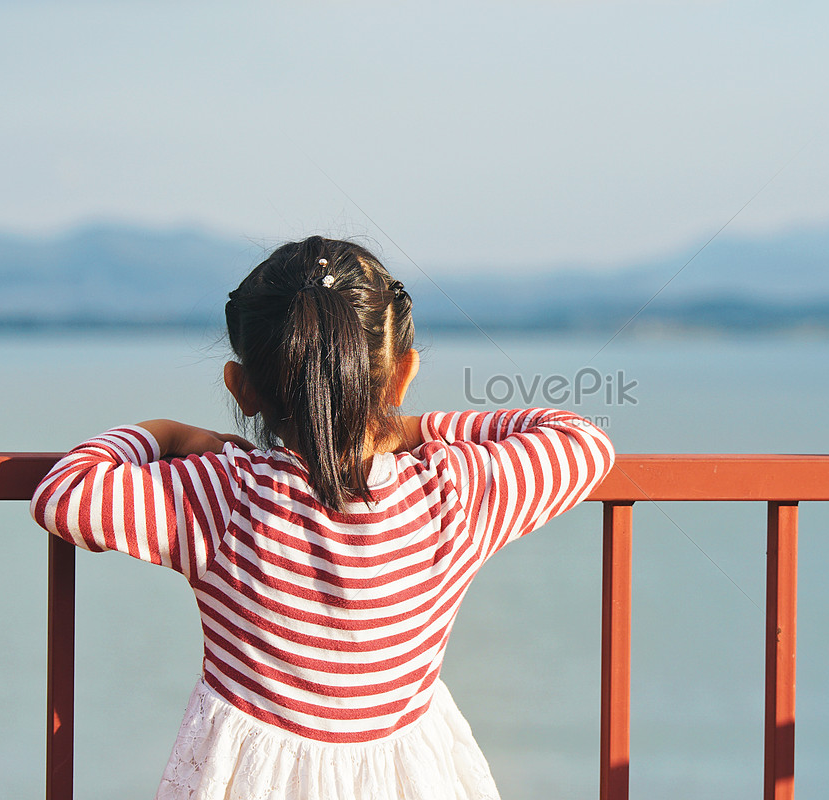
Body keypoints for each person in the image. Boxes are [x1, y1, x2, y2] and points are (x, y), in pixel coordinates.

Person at [30, 236, 615, 799]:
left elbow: (65, 493)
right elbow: (582, 442)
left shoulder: (223, 495)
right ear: (402, 373)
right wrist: (408, 426)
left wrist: (167, 434)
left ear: (241, 388)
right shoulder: (451, 494)